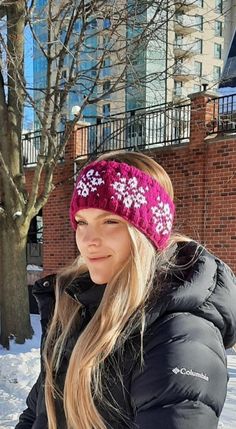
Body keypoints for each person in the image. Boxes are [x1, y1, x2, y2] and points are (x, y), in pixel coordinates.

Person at [16, 150, 236, 429]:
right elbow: (36, 415)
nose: (88, 240)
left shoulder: (179, 334)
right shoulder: (77, 307)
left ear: (146, 233)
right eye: (82, 222)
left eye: (110, 222)